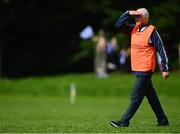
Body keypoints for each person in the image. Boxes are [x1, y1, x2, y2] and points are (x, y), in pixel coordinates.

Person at [110, 8, 170, 127]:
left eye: (139, 16)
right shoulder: (134, 29)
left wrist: (165, 68)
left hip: (146, 69)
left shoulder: (152, 31)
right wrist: (128, 13)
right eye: (135, 16)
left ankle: (124, 121)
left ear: (146, 18)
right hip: (137, 68)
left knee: (136, 96)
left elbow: (161, 49)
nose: (136, 18)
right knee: (152, 97)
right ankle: (162, 120)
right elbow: (118, 24)